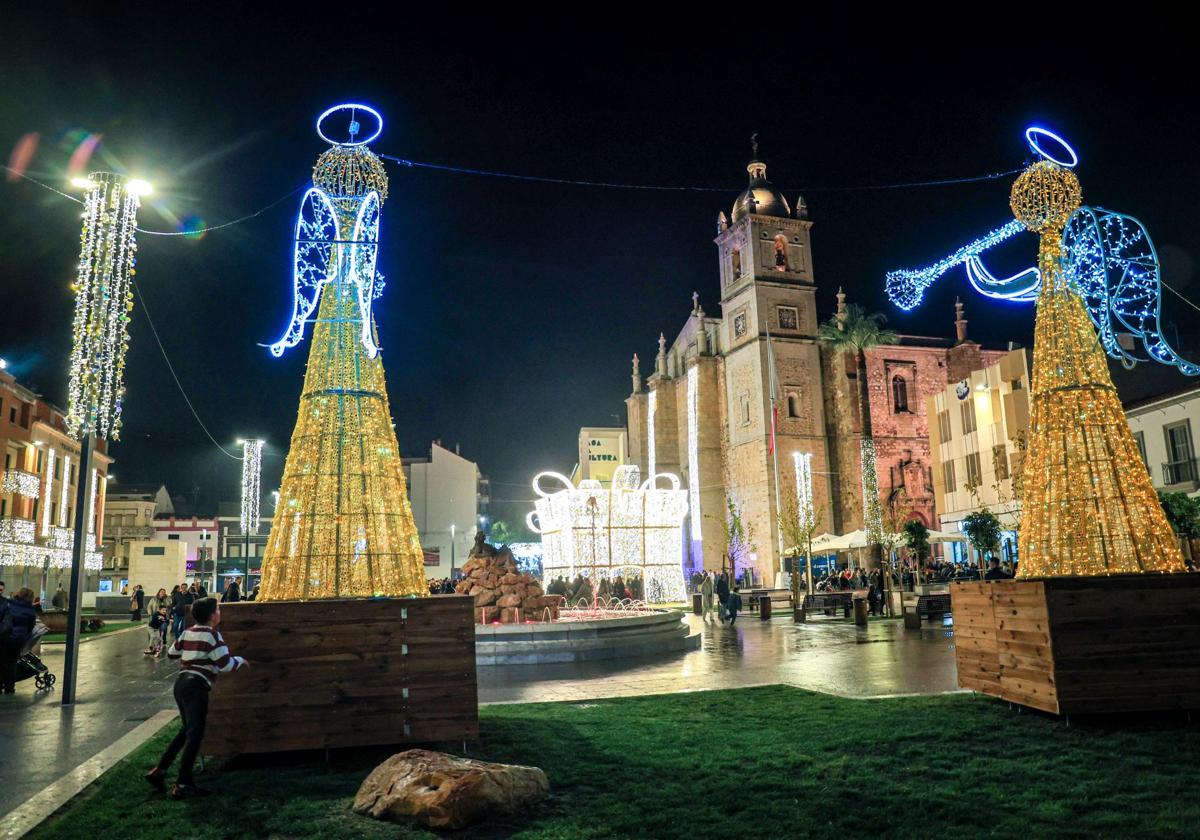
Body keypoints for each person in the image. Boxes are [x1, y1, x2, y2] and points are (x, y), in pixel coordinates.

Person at [146, 597, 248, 799]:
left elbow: (173, 653)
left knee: (187, 730)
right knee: (195, 734)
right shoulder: (212, 636)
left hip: (181, 684)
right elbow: (225, 664)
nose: (220, 613)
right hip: (196, 687)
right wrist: (241, 661)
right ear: (212, 615)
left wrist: (192, 654)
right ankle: (183, 782)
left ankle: (160, 770)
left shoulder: (188, 631)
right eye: (218, 610)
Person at [0, 588, 38, 693]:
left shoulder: (7, 603)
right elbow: (31, 626)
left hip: (3, 636)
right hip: (17, 640)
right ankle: (9, 687)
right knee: (11, 663)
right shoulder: (30, 609)